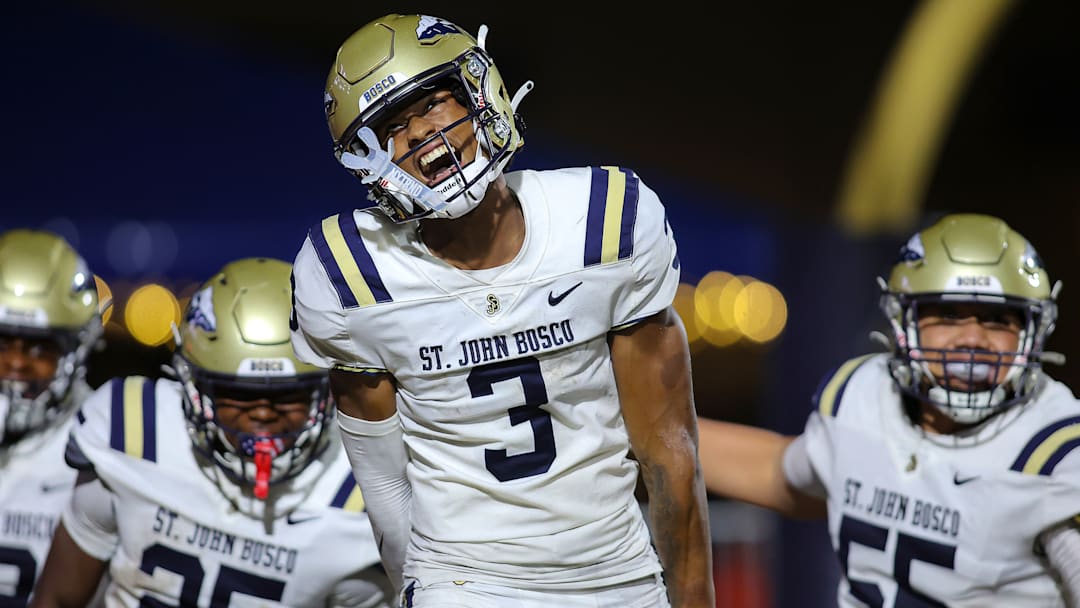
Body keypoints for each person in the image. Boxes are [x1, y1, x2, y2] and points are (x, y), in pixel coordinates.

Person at [289, 13, 715, 607]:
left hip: (616, 572)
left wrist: (692, 598)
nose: (421, 136)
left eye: (433, 104)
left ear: (481, 92)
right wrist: (418, 591)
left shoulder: (604, 221)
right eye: (391, 127)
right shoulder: (350, 275)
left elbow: (669, 450)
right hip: (463, 581)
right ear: (366, 160)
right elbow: (385, 485)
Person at [698, 212, 1080, 606]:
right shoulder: (863, 396)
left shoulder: (1056, 454)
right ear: (903, 322)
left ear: (1033, 331)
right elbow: (786, 475)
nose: (972, 338)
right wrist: (661, 432)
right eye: (948, 314)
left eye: (998, 319)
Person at [30, 258, 391, 608]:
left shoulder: (359, 498)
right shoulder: (132, 431)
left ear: (325, 392)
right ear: (192, 385)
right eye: (239, 394)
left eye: (288, 394)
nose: (262, 413)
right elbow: (58, 598)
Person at [0, 228, 104, 607]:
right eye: (1, 343)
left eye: (40, 347)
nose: (15, 363)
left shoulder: (100, 443)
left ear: (76, 351)